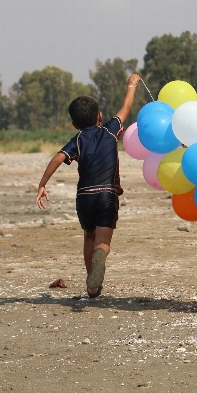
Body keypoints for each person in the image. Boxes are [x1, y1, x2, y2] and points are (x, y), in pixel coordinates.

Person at [35, 73, 141, 298]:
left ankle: (92, 286)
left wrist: (42, 185)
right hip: (107, 194)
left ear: (74, 124)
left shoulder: (78, 140)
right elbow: (126, 106)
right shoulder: (111, 130)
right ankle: (101, 255)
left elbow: (57, 157)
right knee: (102, 242)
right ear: (100, 116)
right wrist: (132, 84)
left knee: (88, 236)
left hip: (84, 197)